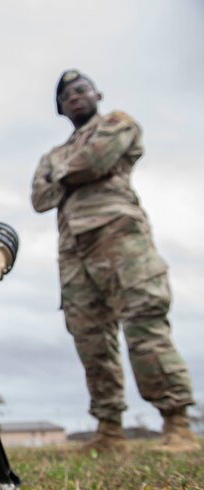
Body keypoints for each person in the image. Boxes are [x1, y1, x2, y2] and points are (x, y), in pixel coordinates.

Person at [31, 69, 200, 454]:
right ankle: (109, 430)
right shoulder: (51, 154)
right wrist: (70, 173)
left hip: (119, 237)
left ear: (98, 94)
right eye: (66, 96)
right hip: (72, 251)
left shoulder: (117, 123)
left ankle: (176, 423)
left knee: (144, 321)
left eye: (81, 90)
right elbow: (39, 199)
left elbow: (95, 160)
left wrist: (62, 177)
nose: (74, 97)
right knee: (90, 337)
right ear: (60, 109)